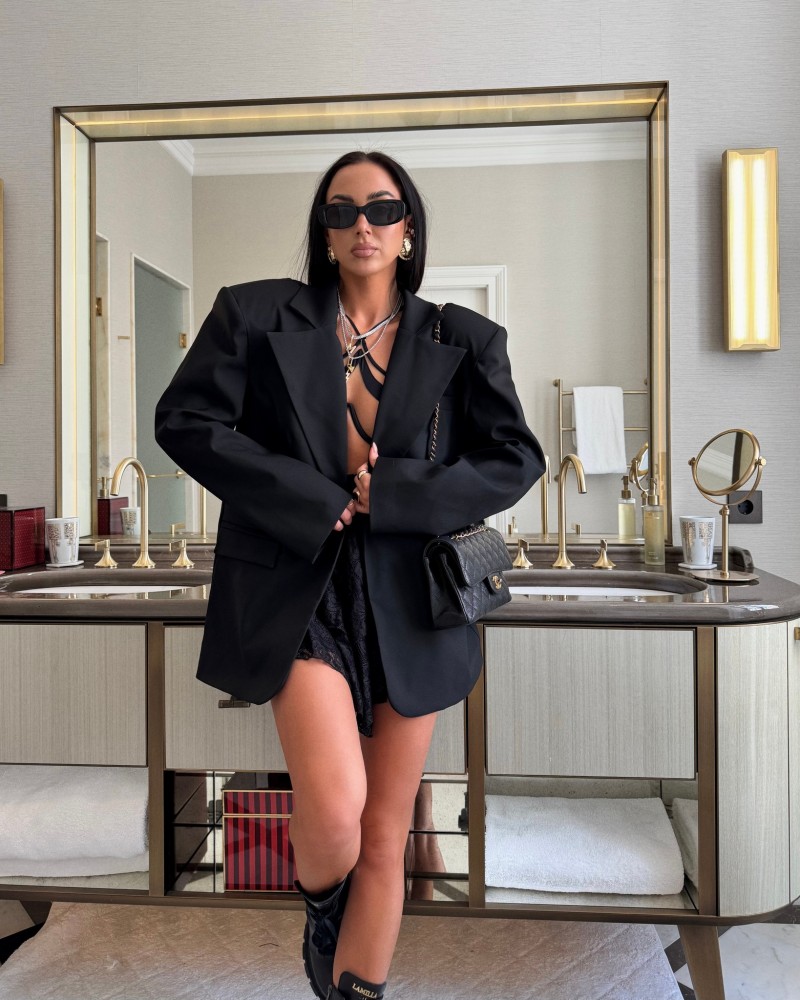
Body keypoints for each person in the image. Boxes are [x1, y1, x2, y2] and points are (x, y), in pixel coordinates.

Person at [155, 150, 544, 1000]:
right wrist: (307, 495)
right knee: (333, 816)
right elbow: (183, 421)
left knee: (383, 834)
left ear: (408, 230)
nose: (362, 224)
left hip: (416, 600)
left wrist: (398, 493)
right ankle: (324, 917)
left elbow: (516, 458)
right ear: (324, 232)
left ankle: (350, 989)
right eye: (341, 211)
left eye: (381, 208)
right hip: (297, 591)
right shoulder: (255, 315)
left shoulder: (463, 337)